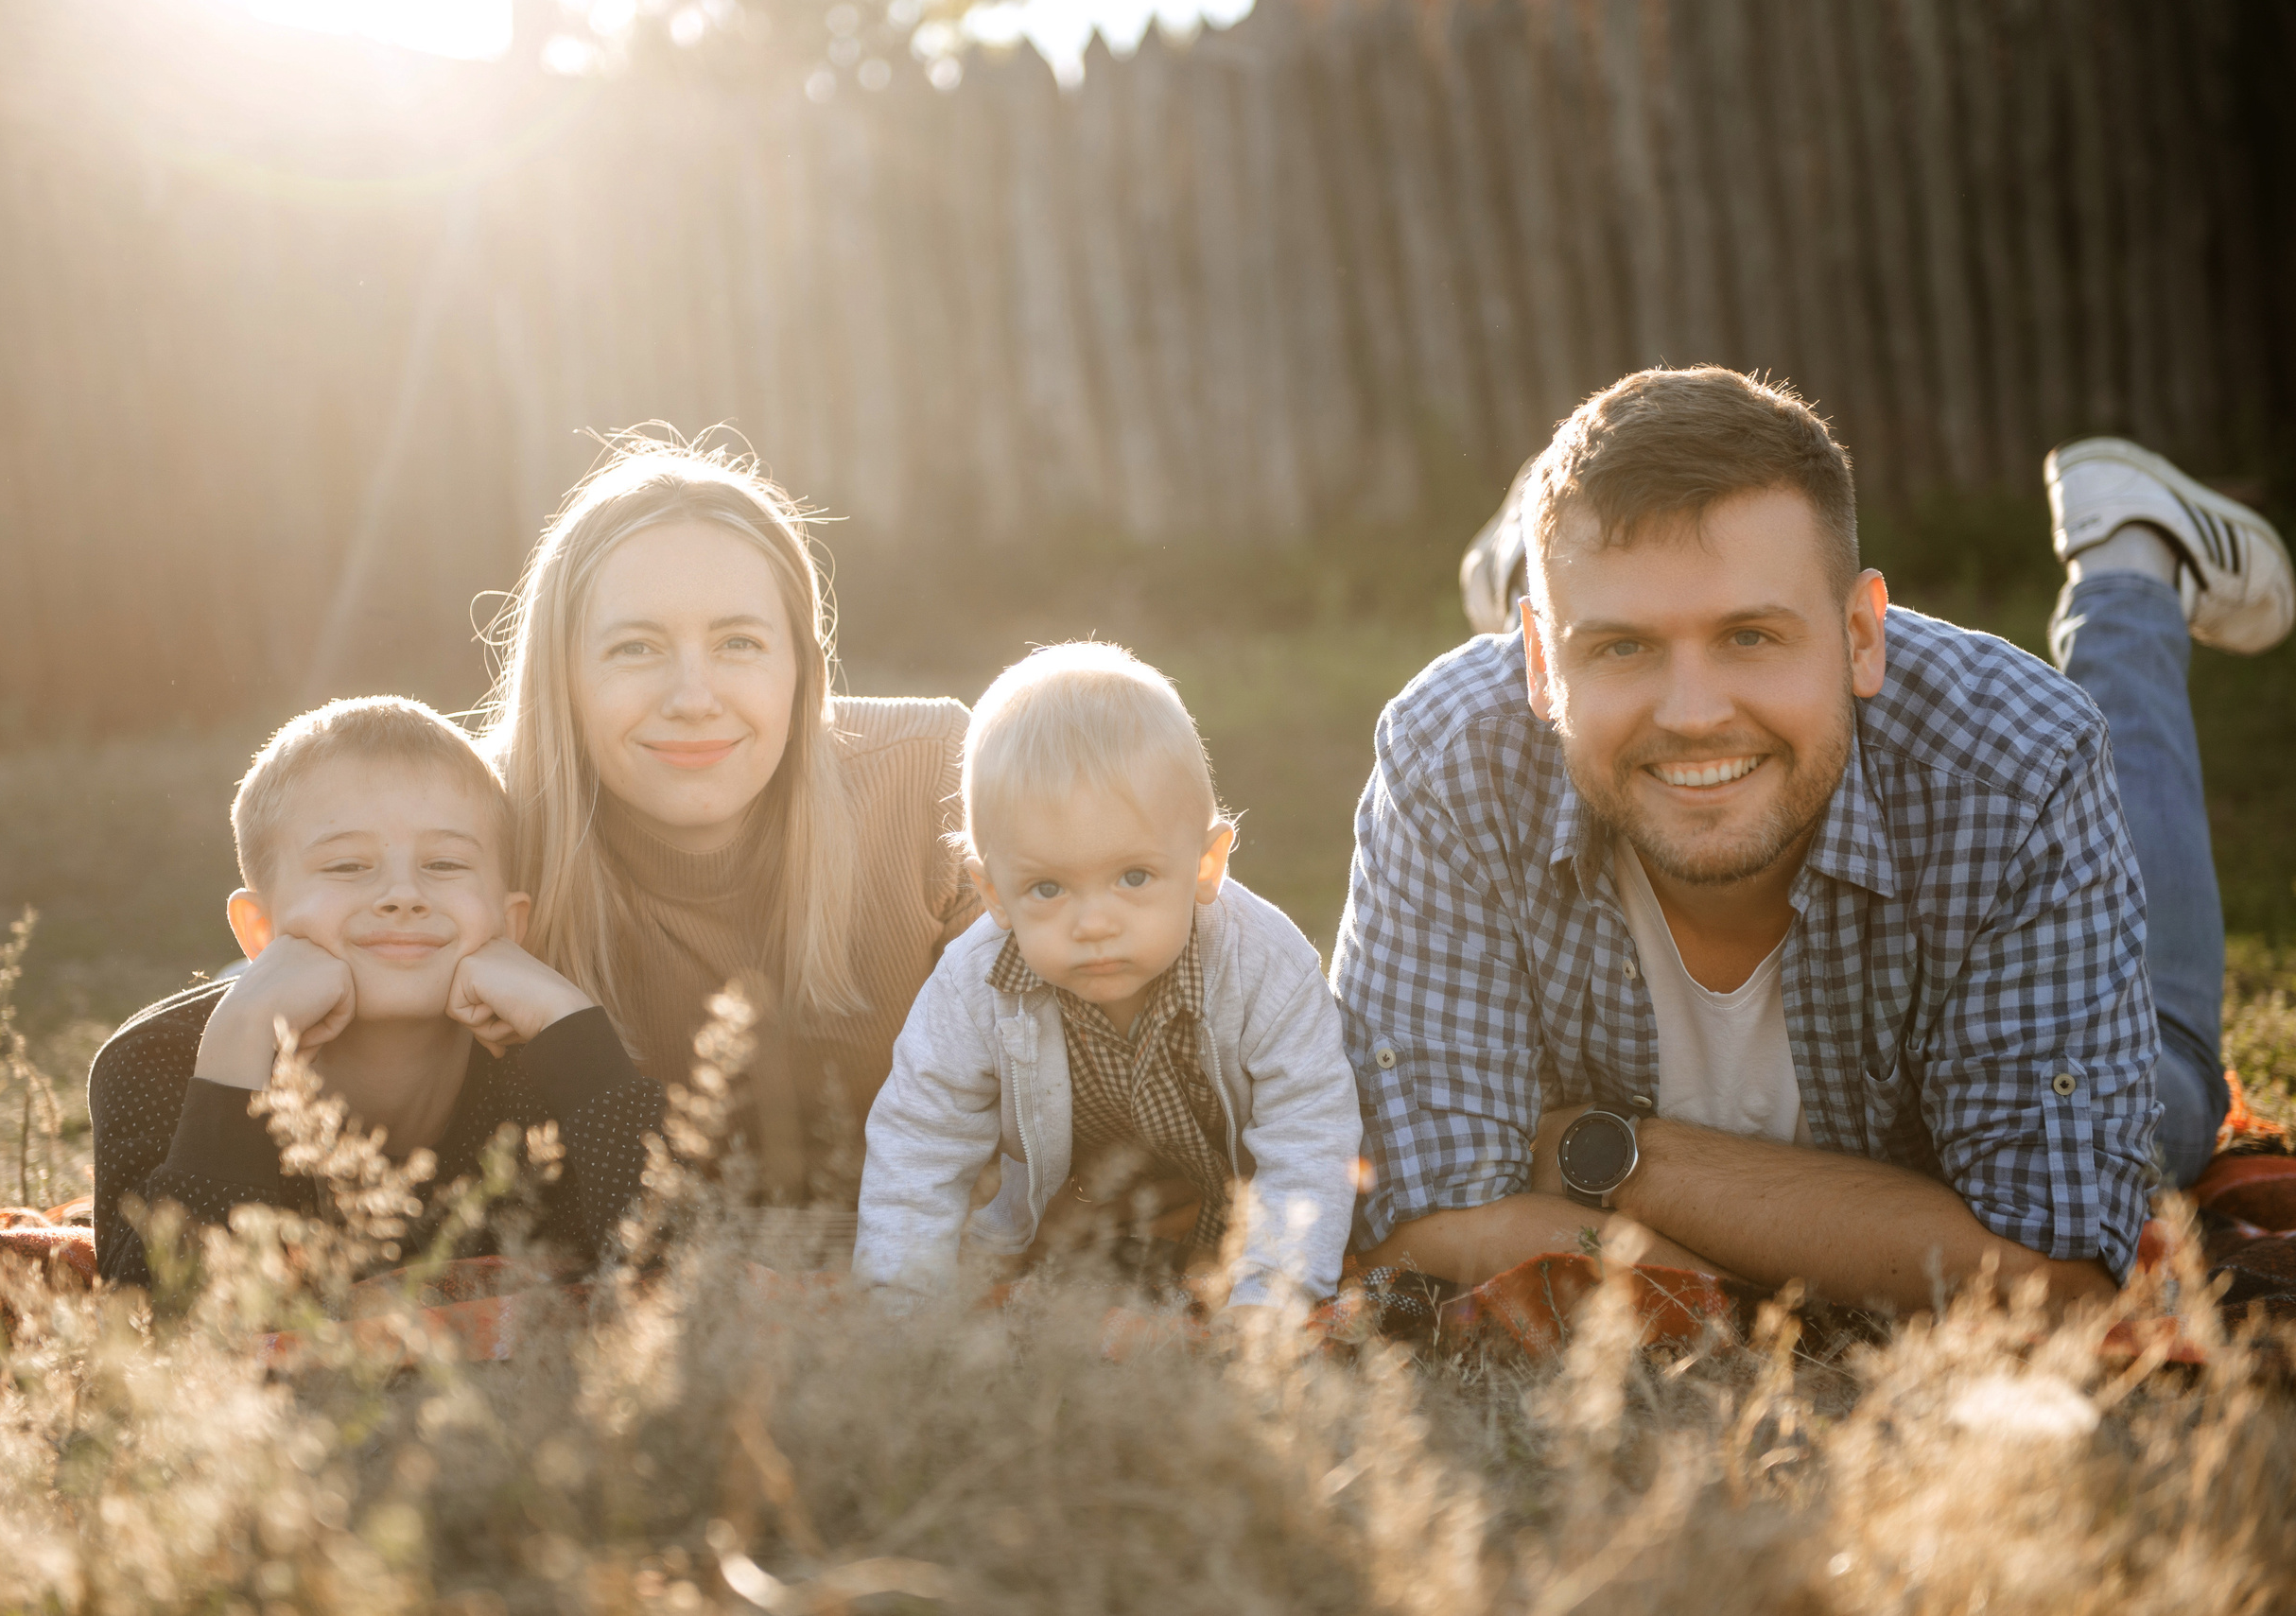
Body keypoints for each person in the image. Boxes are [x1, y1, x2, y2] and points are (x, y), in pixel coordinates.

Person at [1333, 365, 2292, 1313]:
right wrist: (1849, 1258)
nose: (1695, 713)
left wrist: (1608, 1155)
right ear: (1541, 664)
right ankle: (1539, 556)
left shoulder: (2018, 764)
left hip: (2016, 816)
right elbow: (1419, 1214)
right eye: (1620, 644)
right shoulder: (1449, 753)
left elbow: (2057, 1277)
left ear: (1862, 635)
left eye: (1750, 635)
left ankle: (2131, 562)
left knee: (2173, 1102)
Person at [480, 436, 976, 1211]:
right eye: (635, 647)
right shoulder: (474, 837)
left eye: (738, 643)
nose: (692, 698)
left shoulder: (935, 778)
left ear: (802, 669)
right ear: (562, 677)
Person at [853, 644, 1362, 1312]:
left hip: (1238, 1229)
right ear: (993, 892)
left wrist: (1272, 1299)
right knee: (1034, 1319)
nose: (1094, 923)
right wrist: (898, 1301)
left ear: (1206, 865)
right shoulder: (975, 982)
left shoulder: (1264, 965)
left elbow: (1309, 1132)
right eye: (1047, 887)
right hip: (1067, 1239)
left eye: (1134, 876)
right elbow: (922, 1136)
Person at [89, 697, 661, 1289]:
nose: (403, 895)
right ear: (261, 929)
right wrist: (239, 1049)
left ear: (508, 925)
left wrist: (572, 1024)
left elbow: (680, 1263)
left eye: (445, 864)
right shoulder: (159, 1061)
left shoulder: (551, 1065)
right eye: (347, 866)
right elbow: (156, 1313)